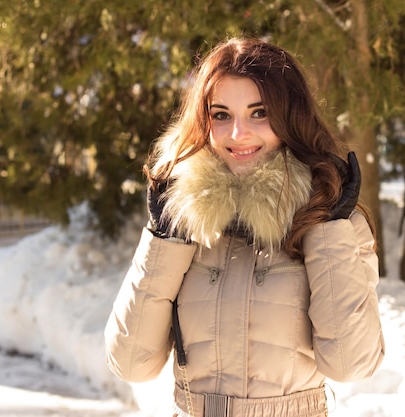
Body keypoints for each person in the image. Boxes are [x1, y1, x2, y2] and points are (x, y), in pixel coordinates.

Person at [105, 37, 385, 417]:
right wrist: (164, 239)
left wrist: (327, 223)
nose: (239, 134)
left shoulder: (329, 221)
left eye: (259, 113)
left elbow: (351, 365)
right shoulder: (186, 220)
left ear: (291, 117)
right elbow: (131, 362)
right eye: (221, 115)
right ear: (203, 121)